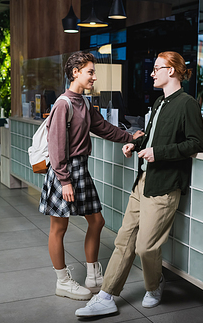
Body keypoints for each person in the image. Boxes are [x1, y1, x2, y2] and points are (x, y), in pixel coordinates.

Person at [75, 51, 203, 317]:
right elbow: (151, 136)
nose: (152, 72)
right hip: (143, 181)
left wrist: (158, 153)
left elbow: (196, 143)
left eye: (157, 68)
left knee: (146, 247)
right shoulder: (159, 102)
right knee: (123, 241)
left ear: (171, 70)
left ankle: (154, 284)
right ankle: (106, 296)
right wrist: (135, 144)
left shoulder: (187, 103)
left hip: (165, 184)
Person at [39, 51, 143, 301]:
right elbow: (56, 146)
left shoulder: (84, 103)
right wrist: (64, 180)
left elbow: (103, 127)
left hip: (80, 170)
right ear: (75, 72)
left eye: (94, 72)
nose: (94, 77)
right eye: (90, 72)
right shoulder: (63, 104)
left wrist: (131, 137)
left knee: (96, 222)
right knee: (58, 227)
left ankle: (93, 275)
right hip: (64, 170)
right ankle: (63, 281)